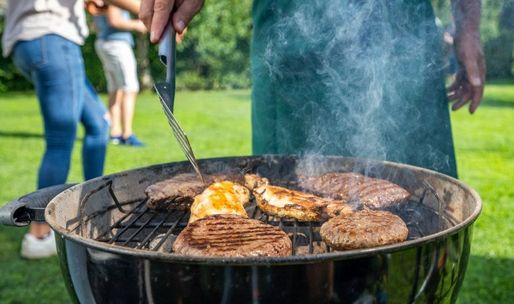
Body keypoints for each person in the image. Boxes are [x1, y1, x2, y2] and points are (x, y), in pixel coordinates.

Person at [139, 0, 485, 180]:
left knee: (422, 209)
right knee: (290, 212)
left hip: (404, 37)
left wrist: (469, 27)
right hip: (293, 44)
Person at [2, 0, 113, 259]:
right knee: (60, 138)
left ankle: (95, 205)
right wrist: (147, 11)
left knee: (98, 123)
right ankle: (39, 235)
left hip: (28, 40)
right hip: (51, 36)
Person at [93, 4, 147, 146]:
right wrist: (138, 24)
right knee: (130, 88)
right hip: (117, 44)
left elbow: (95, 25)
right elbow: (115, 20)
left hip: (104, 42)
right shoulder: (115, 2)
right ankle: (127, 134)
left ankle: (115, 132)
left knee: (115, 89)